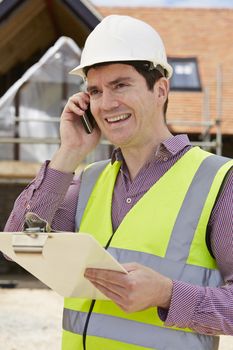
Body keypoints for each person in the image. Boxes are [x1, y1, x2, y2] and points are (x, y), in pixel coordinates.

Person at [4, 15, 233, 350]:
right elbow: (18, 244)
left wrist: (168, 294)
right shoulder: (88, 180)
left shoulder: (217, 181)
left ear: (160, 90)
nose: (106, 104)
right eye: (95, 91)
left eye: (121, 85)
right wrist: (68, 152)